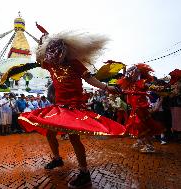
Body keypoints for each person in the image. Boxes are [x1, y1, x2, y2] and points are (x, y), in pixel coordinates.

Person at [18, 31, 125, 188]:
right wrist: (42, 44)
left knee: (74, 139)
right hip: (59, 107)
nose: (52, 54)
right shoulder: (49, 65)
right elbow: (38, 59)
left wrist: (106, 87)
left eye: (55, 50)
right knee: (50, 133)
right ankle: (57, 158)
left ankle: (84, 173)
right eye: (50, 51)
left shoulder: (74, 63)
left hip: (74, 107)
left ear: (63, 51)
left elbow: (89, 78)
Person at [117, 63, 164, 153]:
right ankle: (141, 141)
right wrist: (124, 68)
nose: (131, 74)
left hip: (141, 108)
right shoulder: (130, 84)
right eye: (130, 73)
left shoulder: (141, 82)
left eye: (133, 72)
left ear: (138, 74)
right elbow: (124, 81)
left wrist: (157, 88)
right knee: (135, 126)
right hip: (135, 108)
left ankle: (149, 146)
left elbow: (149, 86)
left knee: (142, 126)